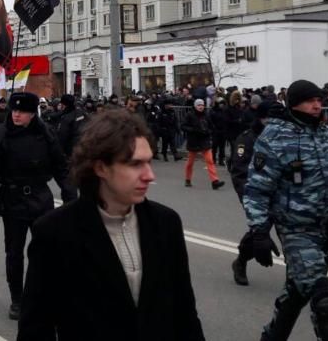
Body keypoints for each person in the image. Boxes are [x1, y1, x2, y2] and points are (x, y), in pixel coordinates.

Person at [18, 110, 204, 340]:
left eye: (148, 162)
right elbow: (35, 326)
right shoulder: (56, 232)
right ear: (101, 168)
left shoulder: (166, 223)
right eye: (135, 164)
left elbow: (185, 312)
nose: (149, 175)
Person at [244, 80, 328, 341]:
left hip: (327, 227)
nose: (317, 104)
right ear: (293, 103)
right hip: (296, 229)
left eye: (319, 99)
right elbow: (257, 189)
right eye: (309, 100)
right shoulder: (275, 138)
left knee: (298, 289)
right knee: (323, 300)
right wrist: (259, 231)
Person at [0, 92, 77, 321]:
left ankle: (46, 294)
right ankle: (17, 299)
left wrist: (70, 194)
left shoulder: (45, 134)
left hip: (40, 198)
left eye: (21, 111)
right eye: (14, 110)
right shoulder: (0, 135)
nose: (16, 114)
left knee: (47, 250)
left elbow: (61, 168)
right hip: (13, 200)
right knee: (14, 253)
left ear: (33, 113)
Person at [229, 102, 281, 286]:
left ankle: (297, 275)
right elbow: (239, 172)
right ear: (261, 118)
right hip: (256, 195)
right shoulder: (247, 139)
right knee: (259, 232)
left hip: (282, 195)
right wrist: (249, 198)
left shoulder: (280, 138)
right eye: (269, 118)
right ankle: (241, 262)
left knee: (290, 232)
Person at [181, 99, 225, 189]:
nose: (201, 106)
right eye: (198, 105)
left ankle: (215, 181)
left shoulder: (206, 115)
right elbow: (183, 126)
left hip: (204, 140)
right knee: (190, 163)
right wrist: (193, 130)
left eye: (202, 105)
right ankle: (188, 179)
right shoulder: (190, 115)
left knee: (210, 160)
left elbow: (212, 127)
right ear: (195, 106)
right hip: (193, 141)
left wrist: (208, 131)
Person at [56, 94, 87, 160]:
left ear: (63, 105)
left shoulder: (66, 118)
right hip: (84, 147)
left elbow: (62, 136)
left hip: (71, 151)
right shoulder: (82, 113)